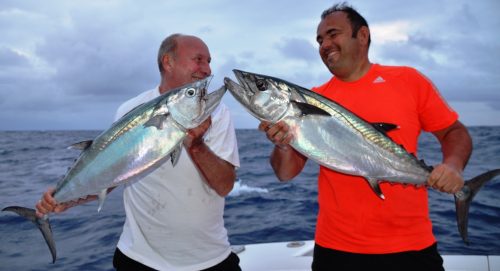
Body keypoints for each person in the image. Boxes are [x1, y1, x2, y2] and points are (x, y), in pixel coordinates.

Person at [259, 3, 472, 271]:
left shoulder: (408, 80)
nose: (325, 44)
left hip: (411, 247)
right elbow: (285, 174)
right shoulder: (314, 98)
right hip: (336, 249)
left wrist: (452, 165)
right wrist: (282, 145)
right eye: (319, 40)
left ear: (362, 35)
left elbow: (454, 132)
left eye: (333, 34)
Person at [35, 34, 241, 271]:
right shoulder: (130, 109)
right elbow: (114, 172)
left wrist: (196, 145)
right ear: (168, 62)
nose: (207, 69)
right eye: (198, 59)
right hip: (139, 259)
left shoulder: (219, 114)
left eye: (209, 61)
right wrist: (68, 198)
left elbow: (225, 186)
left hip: (209, 258)